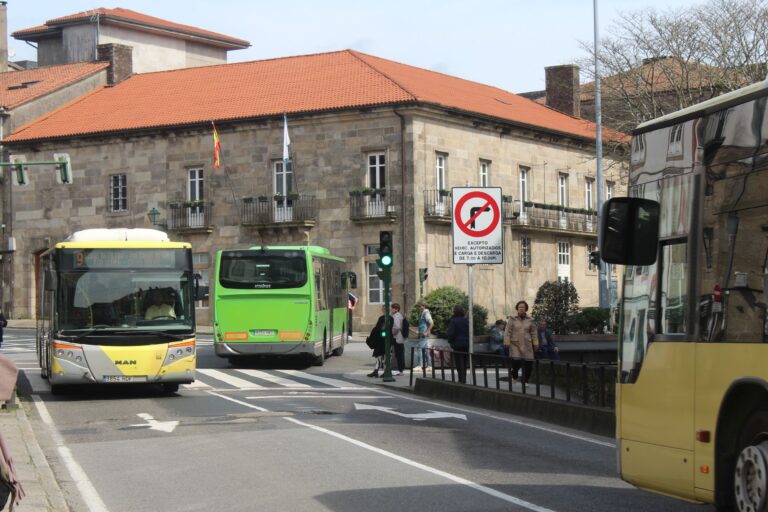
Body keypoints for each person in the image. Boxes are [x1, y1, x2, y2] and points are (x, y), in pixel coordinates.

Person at [504, 300, 538, 383]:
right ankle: (514, 374)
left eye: (523, 307)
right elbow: (507, 331)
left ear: (526, 309)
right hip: (515, 344)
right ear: (517, 308)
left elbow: (534, 332)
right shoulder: (512, 319)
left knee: (529, 364)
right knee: (516, 362)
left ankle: (525, 380)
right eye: (519, 307)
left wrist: (535, 343)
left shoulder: (530, 320)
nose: (521, 308)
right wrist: (507, 342)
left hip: (527, 344)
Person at [446, 305, 470, 383]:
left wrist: (450, 341)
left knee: (458, 362)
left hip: (457, 344)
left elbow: (451, 333)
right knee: (464, 362)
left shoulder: (453, 321)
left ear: (454, 312)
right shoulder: (466, 321)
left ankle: (461, 379)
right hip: (466, 344)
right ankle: (464, 378)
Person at [366, 306, 388, 377]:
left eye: (384, 309)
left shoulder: (389, 318)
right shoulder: (381, 318)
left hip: (383, 341)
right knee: (379, 357)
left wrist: (383, 335)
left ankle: (384, 371)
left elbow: (384, 330)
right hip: (379, 341)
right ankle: (376, 371)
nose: (383, 310)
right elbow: (378, 327)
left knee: (383, 357)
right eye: (383, 309)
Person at [414, 300, 433, 370]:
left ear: (423, 306)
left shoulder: (426, 313)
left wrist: (426, 332)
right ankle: (429, 366)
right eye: (418, 306)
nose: (419, 307)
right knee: (426, 350)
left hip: (424, 335)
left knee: (419, 348)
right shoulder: (422, 313)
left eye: (420, 306)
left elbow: (431, 323)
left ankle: (419, 365)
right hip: (423, 334)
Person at [391, 303, 406, 376]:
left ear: (396, 309)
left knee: (399, 354)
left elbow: (396, 327)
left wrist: (391, 333)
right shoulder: (399, 315)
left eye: (393, 308)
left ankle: (400, 370)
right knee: (399, 354)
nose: (391, 309)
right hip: (399, 337)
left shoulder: (396, 316)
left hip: (397, 338)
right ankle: (400, 370)